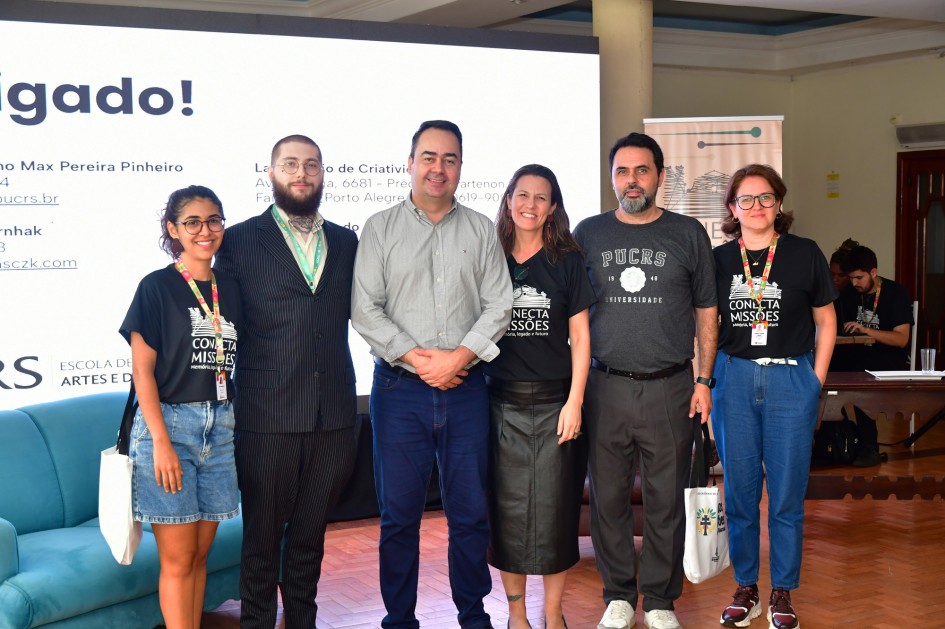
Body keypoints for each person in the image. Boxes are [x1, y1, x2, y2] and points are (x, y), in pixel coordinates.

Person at [351, 120, 512, 629]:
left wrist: (457, 358)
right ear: (410, 163)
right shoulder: (379, 228)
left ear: (461, 167)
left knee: (469, 513)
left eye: (450, 159)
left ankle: (473, 615)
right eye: (429, 157)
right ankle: (399, 619)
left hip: (466, 390)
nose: (438, 168)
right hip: (399, 391)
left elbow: (500, 305)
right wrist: (423, 361)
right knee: (399, 517)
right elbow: (365, 309)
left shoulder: (481, 229)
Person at [572, 132, 718, 629]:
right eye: (622, 171)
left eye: (641, 170)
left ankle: (658, 599)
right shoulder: (588, 233)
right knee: (608, 498)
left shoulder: (687, 233)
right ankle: (617, 595)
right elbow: (573, 315)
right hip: (605, 386)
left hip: (671, 387)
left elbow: (706, 311)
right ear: (611, 178)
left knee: (666, 499)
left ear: (659, 176)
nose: (631, 180)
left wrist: (704, 380)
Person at [214, 134, 359, 629]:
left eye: (311, 165)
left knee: (309, 540)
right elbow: (220, 321)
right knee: (261, 541)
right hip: (266, 416)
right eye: (291, 164)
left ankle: (302, 621)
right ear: (271, 173)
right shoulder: (238, 240)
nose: (302, 173)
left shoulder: (346, 241)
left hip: (333, 416)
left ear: (322, 174)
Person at [711, 164, 837, 629]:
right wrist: (704, 381)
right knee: (739, 493)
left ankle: (782, 591)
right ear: (732, 208)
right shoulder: (719, 260)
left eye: (766, 197)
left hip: (790, 381)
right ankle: (746, 587)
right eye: (746, 199)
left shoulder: (804, 253)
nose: (757, 206)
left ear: (779, 203)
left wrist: (813, 381)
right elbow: (704, 326)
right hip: (734, 379)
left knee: (786, 495)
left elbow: (826, 320)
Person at [121, 185, 240, 629]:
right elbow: (143, 373)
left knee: (198, 556)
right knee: (177, 560)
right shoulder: (156, 287)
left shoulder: (230, 288)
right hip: (169, 428)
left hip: (220, 429)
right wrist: (161, 442)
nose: (205, 231)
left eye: (213, 220)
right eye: (192, 222)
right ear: (173, 229)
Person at [485, 164, 596, 629]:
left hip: (556, 405)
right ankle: (516, 615)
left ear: (552, 208)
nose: (530, 205)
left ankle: (552, 613)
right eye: (522, 195)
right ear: (509, 200)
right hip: (499, 405)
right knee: (506, 517)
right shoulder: (488, 256)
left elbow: (581, 338)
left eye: (541, 197)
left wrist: (575, 403)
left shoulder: (567, 260)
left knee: (555, 517)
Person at [838, 244, 913, 371]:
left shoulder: (896, 293)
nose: (854, 283)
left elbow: (902, 339)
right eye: (851, 278)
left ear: (873, 272)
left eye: (859, 278)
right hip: (853, 365)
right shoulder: (848, 292)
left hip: (886, 367)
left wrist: (866, 330)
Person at [828, 238, 860, 371]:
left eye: (841, 275)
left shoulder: (859, 294)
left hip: (856, 357)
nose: (835, 279)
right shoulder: (825, 292)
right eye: (832, 274)